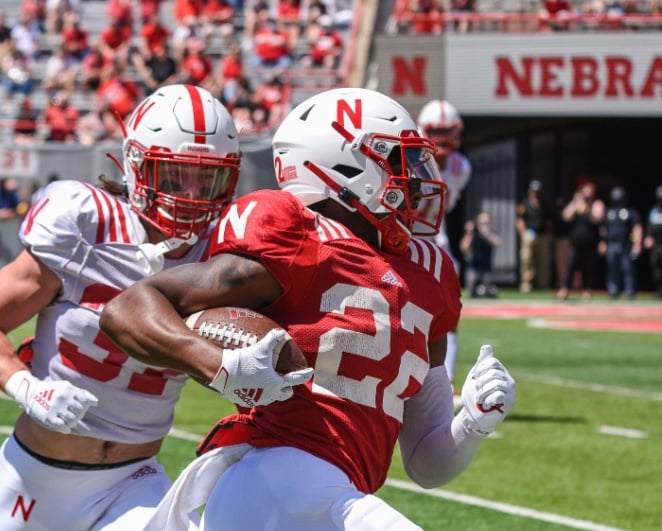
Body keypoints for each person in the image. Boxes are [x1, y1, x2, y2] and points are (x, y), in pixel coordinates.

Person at [100, 87, 516, 531]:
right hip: (276, 481)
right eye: (398, 159)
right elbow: (127, 307)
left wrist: (472, 423)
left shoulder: (432, 273)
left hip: (332, 493)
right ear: (344, 167)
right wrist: (218, 365)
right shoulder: (301, 237)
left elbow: (426, 464)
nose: (415, 176)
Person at [0, 84, 243, 530]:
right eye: (174, 175)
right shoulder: (88, 222)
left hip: (132, 480)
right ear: (135, 164)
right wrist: (28, 389)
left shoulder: (225, 254)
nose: (190, 194)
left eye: (206, 178)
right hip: (33, 475)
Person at [416, 98, 472, 387]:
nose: (443, 139)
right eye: (438, 131)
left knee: (447, 320)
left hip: (435, 242)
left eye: (447, 131)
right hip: (409, 240)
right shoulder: (411, 159)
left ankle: (442, 384)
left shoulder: (460, 167)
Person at [557, 181, 604, 301]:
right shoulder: (578, 205)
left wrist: (589, 204)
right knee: (571, 266)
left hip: (591, 242)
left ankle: (587, 290)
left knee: (588, 268)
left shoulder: (596, 204)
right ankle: (565, 289)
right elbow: (566, 216)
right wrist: (575, 201)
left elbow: (596, 219)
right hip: (576, 242)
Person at [599, 185, 642, 299]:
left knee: (627, 268)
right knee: (612, 269)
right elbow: (603, 229)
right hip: (612, 244)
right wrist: (602, 242)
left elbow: (636, 228)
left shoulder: (630, 212)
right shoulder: (609, 212)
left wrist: (637, 243)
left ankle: (629, 291)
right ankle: (613, 290)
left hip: (626, 244)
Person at [517, 179, 552, 293]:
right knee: (527, 259)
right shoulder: (524, 203)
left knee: (543, 261)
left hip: (542, 235)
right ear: (530, 191)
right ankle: (526, 283)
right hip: (529, 235)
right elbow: (520, 219)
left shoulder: (544, 203)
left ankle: (543, 283)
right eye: (533, 190)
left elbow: (548, 220)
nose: (535, 193)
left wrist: (549, 234)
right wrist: (523, 233)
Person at [460, 211, 501, 298]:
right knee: (472, 292)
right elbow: (464, 247)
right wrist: (469, 233)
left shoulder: (491, 232)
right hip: (474, 269)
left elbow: (497, 242)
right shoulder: (473, 233)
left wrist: (487, 233)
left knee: (490, 293)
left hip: (487, 269)